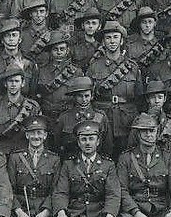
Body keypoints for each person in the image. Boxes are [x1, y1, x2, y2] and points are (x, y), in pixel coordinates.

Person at [87, 20, 143, 152]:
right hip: (103, 117)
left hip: (127, 118)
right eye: (108, 37)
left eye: (115, 37)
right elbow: (89, 96)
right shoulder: (94, 66)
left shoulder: (132, 67)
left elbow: (140, 97)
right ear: (103, 42)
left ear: (121, 41)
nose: (112, 41)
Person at [6, 117, 61, 217]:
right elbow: (9, 189)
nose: (36, 137)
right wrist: (18, 211)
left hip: (44, 209)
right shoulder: (15, 158)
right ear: (27, 136)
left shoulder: (54, 159)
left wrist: (46, 212)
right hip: (21, 208)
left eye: (39, 133)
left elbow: (56, 190)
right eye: (32, 133)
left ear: (45, 136)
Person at [0, 64, 41, 155]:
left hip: (23, 154)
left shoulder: (33, 107)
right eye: (10, 81)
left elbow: (39, 133)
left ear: (23, 83)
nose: (13, 84)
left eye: (16, 81)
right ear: (5, 84)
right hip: (0, 154)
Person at [53, 76, 112, 158]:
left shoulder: (100, 117)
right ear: (74, 97)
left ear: (92, 96)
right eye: (80, 96)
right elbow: (57, 144)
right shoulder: (64, 117)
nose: (84, 99)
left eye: (87, 96)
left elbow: (107, 146)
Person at [35, 29, 82, 121]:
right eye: (55, 49)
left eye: (62, 49)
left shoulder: (76, 72)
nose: (59, 52)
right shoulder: (40, 71)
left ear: (67, 50)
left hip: (68, 116)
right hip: (46, 115)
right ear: (50, 52)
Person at [0, 18, 39, 95]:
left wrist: (21, 72)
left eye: (14, 35)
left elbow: (32, 92)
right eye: (7, 36)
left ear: (20, 39)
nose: (11, 39)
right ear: (2, 40)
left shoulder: (30, 63)